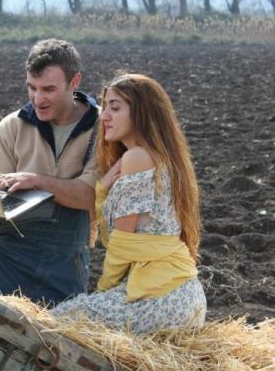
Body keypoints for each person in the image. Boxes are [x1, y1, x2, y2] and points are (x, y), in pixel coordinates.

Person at [50, 73, 207, 334]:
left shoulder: (138, 158)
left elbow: (120, 246)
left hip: (161, 299)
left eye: (115, 107)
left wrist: (102, 293)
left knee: (62, 319)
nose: (104, 117)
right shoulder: (153, 158)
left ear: (142, 113)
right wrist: (102, 191)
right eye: (105, 108)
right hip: (181, 295)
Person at [0, 39, 98, 305]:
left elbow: (90, 196)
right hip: (4, 252)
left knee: (55, 342)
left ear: (75, 82)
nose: (37, 99)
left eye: (48, 89)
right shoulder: (11, 126)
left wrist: (34, 181)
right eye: (32, 88)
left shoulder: (103, 129)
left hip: (66, 263)